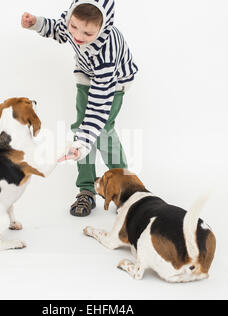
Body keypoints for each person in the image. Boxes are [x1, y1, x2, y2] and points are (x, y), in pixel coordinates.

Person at [22, 0, 138, 217]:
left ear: (102, 27)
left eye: (88, 33)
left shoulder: (107, 51)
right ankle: (86, 189)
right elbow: (59, 29)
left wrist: (84, 141)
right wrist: (36, 23)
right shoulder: (72, 24)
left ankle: (125, 189)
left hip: (112, 83)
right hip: (86, 76)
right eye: (74, 26)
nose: (78, 36)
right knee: (80, 130)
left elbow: (98, 106)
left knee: (101, 132)